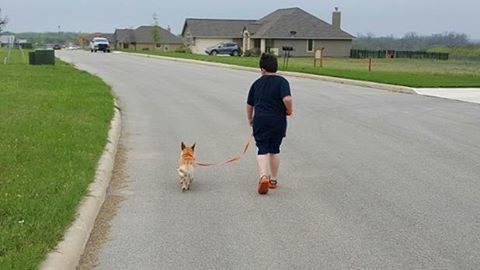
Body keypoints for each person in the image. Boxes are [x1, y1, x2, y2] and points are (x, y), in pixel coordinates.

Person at [246, 53, 293, 195]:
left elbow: (249, 104)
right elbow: (287, 99)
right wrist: (289, 110)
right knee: (274, 149)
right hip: (278, 120)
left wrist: (250, 118)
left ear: (262, 69)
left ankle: (263, 177)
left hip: (260, 119)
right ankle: (273, 179)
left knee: (262, 148)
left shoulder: (256, 84)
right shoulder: (282, 82)